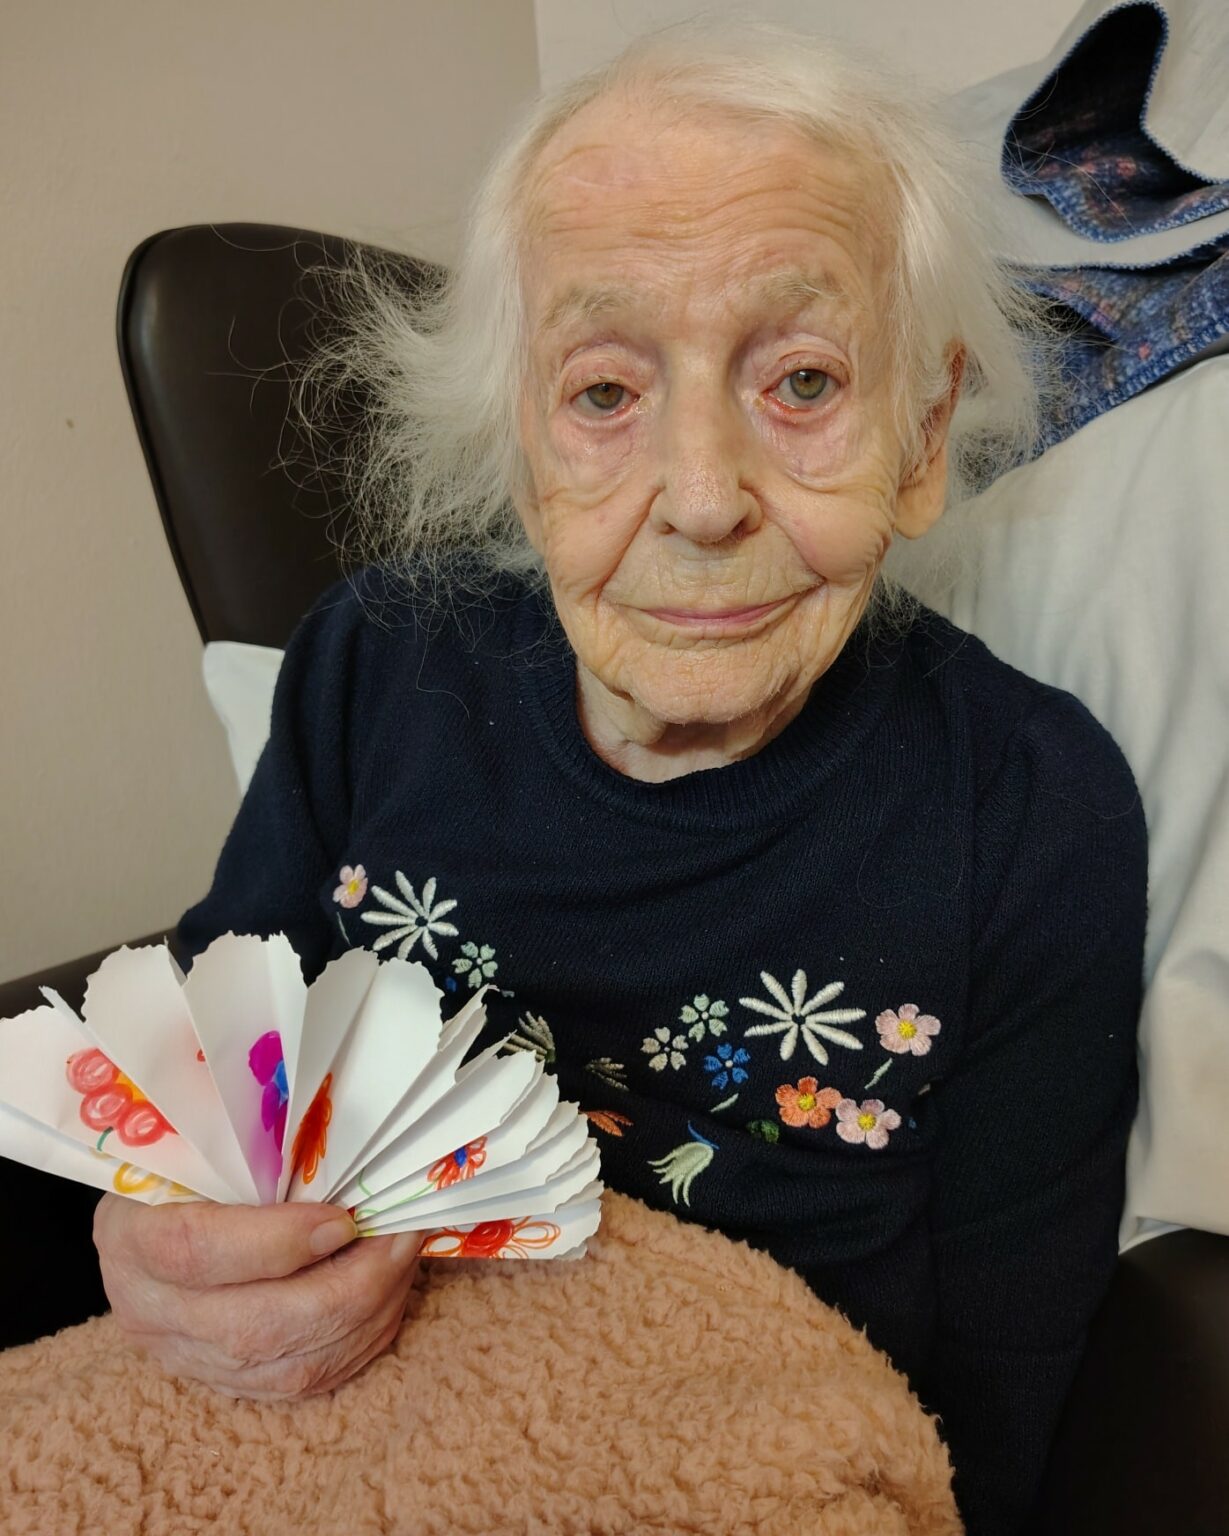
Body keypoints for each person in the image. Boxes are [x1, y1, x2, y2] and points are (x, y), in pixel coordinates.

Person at [91, 22, 1147, 1534]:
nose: (704, 499)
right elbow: (203, 1068)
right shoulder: (372, 669)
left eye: (802, 380)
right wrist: (164, 1236)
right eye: (601, 395)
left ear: (920, 440)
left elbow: (997, 1399)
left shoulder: (1034, 809)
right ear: (516, 443)